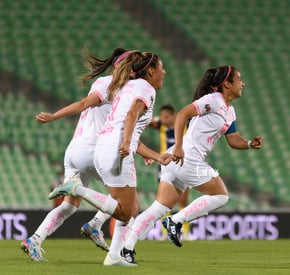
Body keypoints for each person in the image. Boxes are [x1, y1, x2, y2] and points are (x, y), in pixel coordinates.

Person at [121, 65, 262, 263]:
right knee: (221, 196)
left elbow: (233, 139)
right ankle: (176, 220)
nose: (243, 83)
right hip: (185, 156)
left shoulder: (230, 111)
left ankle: (126, 249)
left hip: (175, 159)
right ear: (227, 84)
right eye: (240, 79)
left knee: (159, 207)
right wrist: (178, 146)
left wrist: (248, 144)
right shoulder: (213, 100)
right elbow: (182, 115)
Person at [49, 51, 168, 266]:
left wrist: (155, 156)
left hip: (105, 147)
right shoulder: (145, 88)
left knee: (130, 208)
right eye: (161, 68)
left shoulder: (125, 87)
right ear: (150, 71)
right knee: (124, 211)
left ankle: (114, 256)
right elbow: (132, 115)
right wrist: (125, 143)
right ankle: (78, 189)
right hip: (116, 149)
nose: (164, 72)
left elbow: (126, 124)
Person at [21, 47, 132, 262]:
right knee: (126, 200)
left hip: (75, 151)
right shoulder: (110, 85)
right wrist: (54, 116)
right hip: (95, 150)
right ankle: (96, 226)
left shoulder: (112, 86)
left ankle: (35, 239)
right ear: (120, 66)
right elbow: (83, 104)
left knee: (69, 205)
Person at [150, 104, 190, 240]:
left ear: (174, 116)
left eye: (166, 117)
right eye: (161, 117)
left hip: (182, 164)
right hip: (164, 165)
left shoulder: (185, 127)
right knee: (163, 199)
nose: (163, 120)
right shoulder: (161, 126)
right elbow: (146, 122)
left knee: (183, 199)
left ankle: (184, 231)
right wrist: (157, 119)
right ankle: (164, 231)